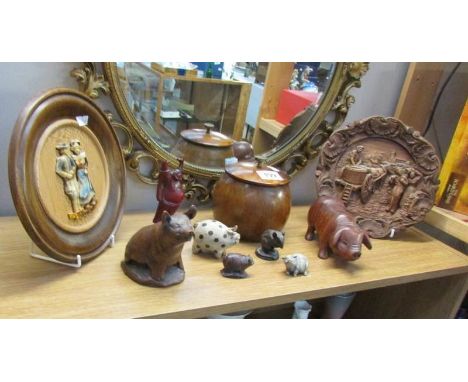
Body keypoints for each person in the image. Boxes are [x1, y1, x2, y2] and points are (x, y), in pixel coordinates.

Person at [70, 139, 97, 210]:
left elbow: (86, 163)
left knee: (89, 185)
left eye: (78, 148)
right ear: (73, 150)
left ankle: (92, 199)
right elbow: (74, 166)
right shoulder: (73, 157)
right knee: (83, 187)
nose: (77, 150)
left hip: (84, 172)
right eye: (75, 149)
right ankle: (86, 203)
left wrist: (86, 168)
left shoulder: (83, 155)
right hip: (79, 173)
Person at [55, 142, 81, 216]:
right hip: (68, 181)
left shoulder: (69, 157)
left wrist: (72, 171)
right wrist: (67, 175)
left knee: (77, 192)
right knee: (74, 194)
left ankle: (79, 209)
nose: (64, 151)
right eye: (62, 149)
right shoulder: (60, 159)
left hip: (73, 178)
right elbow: (58, 170)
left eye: (65, 149)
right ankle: (76, 211)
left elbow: (74, 165)